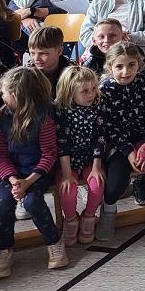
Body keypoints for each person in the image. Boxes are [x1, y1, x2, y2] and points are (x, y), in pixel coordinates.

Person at [0, 66, 67, 275]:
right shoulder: (4, 115)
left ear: (15, 95)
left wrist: (28, 181)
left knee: (33, 201)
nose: (2, 95)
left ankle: (54, 243)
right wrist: (14, 179)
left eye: (5, 92)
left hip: (37, 172)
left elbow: (49, 155)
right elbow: (0, 153)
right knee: (3, 203)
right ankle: (5, 248)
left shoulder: (43, 118)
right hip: (12, 173)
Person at [95, 42, 145, 239]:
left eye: (131, 65)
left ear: (140, 64)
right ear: (110, 67)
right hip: (119, 144)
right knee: (115, 182)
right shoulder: (104, 90)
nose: (125, 71)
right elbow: (108, 127)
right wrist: (129, 152)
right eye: (119, 66)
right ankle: (108, 212)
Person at [53, 66, 105, 247]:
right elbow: (62, 144)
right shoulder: (61, 111)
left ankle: (89, 217)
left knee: (97, 185)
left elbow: (100, 138)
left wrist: (97, 166)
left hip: (90, 158)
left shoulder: (97, 106)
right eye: (84, 91)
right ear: (70, 92)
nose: (91, 94)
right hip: (67, 162)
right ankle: (71, 220)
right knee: (68, 189)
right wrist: (67, 174)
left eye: (93, 89)